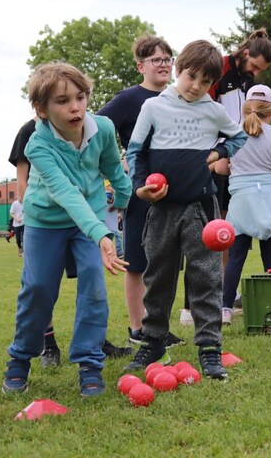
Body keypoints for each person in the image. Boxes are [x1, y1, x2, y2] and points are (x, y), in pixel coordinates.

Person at [2, 63, 132, 397]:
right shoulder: (37, 146)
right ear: (41, 109)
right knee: (38, 290)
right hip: (45, 222)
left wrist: (124, 199)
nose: (75, 107)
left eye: (80, 97)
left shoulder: (102, 128)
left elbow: (113, 169)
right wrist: (101, 233)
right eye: (62, 101)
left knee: (94, 285)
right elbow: (66, 194)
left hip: (88, 220)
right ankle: (20, 358)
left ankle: (90, 362)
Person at [123, 40, 246, 379]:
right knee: (158, 275)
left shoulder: (213, 110)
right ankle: (153, 341)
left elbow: (238, 138)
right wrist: (141, 187)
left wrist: (216, 154)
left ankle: (209, 348)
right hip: (161, 208)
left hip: (201, 206)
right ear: (179, 68)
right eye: (191, 77)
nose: (196, 87)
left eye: (205, 82)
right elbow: (136, 151)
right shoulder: (153, 107)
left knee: (205, 276)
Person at [96, 35, 183, 349]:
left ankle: (158, 325)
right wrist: (117, 169)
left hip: (175, 194)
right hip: (140, 192)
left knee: (168, 262)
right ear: (140, 66)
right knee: (137, 261)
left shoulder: (178, 96)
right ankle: (137, 328)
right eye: (156, 59)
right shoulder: (128, 99)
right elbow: (94, 129)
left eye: (168, 58)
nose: (164, 64)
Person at [205, 29, 271, 322]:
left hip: (237, 153)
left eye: (261, 70)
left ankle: (226, 291)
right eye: (255, 66)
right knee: (217, 225)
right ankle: (207, 296)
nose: (256, 72)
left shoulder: (248, 80)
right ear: (246, 53)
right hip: (214, 149)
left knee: (228, 226)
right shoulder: (220, 66)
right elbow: (206, 101)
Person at [214, 85, 271, 325]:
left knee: (235, 257)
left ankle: (225, 308)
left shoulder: (232, 133)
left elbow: (219, 168)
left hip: (241, 199)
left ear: (245, 107)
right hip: (268, 196)